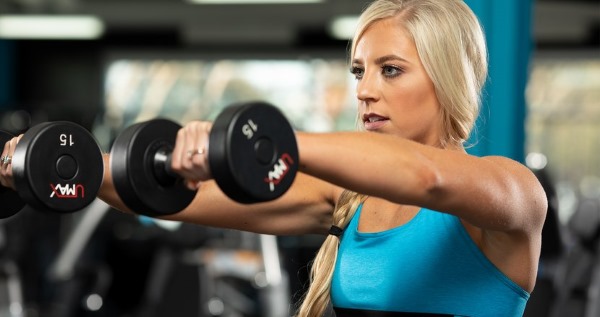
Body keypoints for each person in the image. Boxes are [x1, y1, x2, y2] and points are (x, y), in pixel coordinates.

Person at [1, 0, 547, 316]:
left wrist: (261, 142)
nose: (365, 90)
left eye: (391, 69)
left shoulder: (511, 193)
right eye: (358, 71)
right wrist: (64, 165)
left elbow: (425, 178)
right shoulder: (345, 200)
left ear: (449, 76)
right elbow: (169, 198)